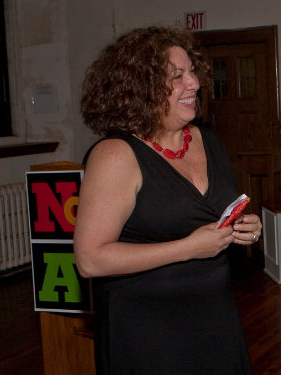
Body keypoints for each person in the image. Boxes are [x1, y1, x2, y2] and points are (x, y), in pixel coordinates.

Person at [74, 26, 260, 374]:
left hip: (214, 317)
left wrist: (244, 228)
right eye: (178, 76)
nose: (194, 83)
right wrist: (187, 248)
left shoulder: (209, 141)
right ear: (141, 89)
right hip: (148, 331)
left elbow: (212, 217)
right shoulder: (115, 155)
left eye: (192, 71)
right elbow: (90, 260)